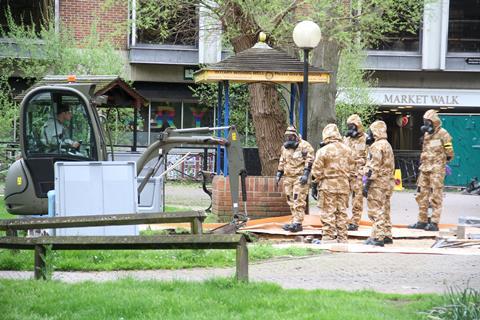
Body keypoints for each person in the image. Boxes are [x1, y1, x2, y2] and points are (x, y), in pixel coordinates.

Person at [409, 109, 454, 231]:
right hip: (425, 168)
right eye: (425, 122)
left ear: (434, 122)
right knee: (421, 194)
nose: (426, 124)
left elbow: (449, 150)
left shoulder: (443, 133)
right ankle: (422, 221)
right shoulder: (427, 134)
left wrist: (444, 160)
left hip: (436, 169)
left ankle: (434, 222)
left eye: (428, 122)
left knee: (435, 196)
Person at [312, 124, 354, 243]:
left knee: (328, 212)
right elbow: (353, 169)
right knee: (341, 212)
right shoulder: (348, 150)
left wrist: (314, 185)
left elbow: (316, 171)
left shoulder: (323, 151)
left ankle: (328, 237)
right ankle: (342, 237)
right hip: (344, 186)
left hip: (327, 186)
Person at [275, 125, 314, 233]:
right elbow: (282, 161)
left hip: (299, 177)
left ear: (295, 136)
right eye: (287, 136)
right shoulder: (284, 148)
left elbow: (309, 160)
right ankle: (294, 220)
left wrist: (306, 174)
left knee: (298, 200)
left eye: (291, 136)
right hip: (288, 178)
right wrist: (279, 173)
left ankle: (298, 223)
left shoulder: (305, 146)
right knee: (290, 200)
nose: (289, 138)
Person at [363, 120, 395, 246]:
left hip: (377, 183)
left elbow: (373, 167)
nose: (369, 134)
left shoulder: (376, 146)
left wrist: (367, 184)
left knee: (375, 210)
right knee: (385, 208)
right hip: (387, 182)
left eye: (370, 131)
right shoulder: (387, 144)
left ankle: (378, 237)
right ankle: (387, 234)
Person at [343, 114, 368, 231]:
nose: (350, 128)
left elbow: (369, 158)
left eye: (353, 126)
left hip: (359, 173)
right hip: (346, 173)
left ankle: (354, 221)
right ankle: (342, 220)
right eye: (349, 126)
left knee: (357, 199)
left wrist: (365, 174)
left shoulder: (366, 139)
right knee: (342, 198)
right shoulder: (346, 139)